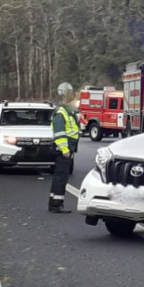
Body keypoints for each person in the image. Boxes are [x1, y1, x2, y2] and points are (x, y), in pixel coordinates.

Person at [48, 82, 80, 213]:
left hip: (67, 150)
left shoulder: (68, 113)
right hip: (63, 151)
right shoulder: (61, 114)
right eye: (74, 102)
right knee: (61, 178)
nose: (75, 104)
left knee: (60, 177)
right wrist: (65, 150)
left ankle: (54, 203)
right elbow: (60, 134)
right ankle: (56, 205)